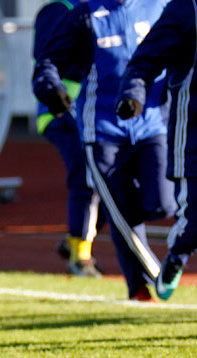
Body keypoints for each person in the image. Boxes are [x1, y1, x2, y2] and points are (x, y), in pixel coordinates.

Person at [33, 0, 177, 301]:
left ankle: (120, 218)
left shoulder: (159, 7)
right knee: (119, 209)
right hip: (101, 132)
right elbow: (46, 63)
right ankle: (137, 287)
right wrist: (52, 90)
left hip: (152, 125)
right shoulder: (84, 15)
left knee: (162, 204)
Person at [116, 0, 197, 300]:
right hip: (193, 135)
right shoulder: (186, 9)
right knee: (194, 223)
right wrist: (134, 92)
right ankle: (177, 253)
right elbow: (145, 60)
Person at [33, 0, 104, 278]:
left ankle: (76, 236)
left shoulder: (104, 8)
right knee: (86, 177)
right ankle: (80, 256)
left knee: (118, 182)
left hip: (98, 113)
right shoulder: (59, 10)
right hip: (64, 112)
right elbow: (48, 64)